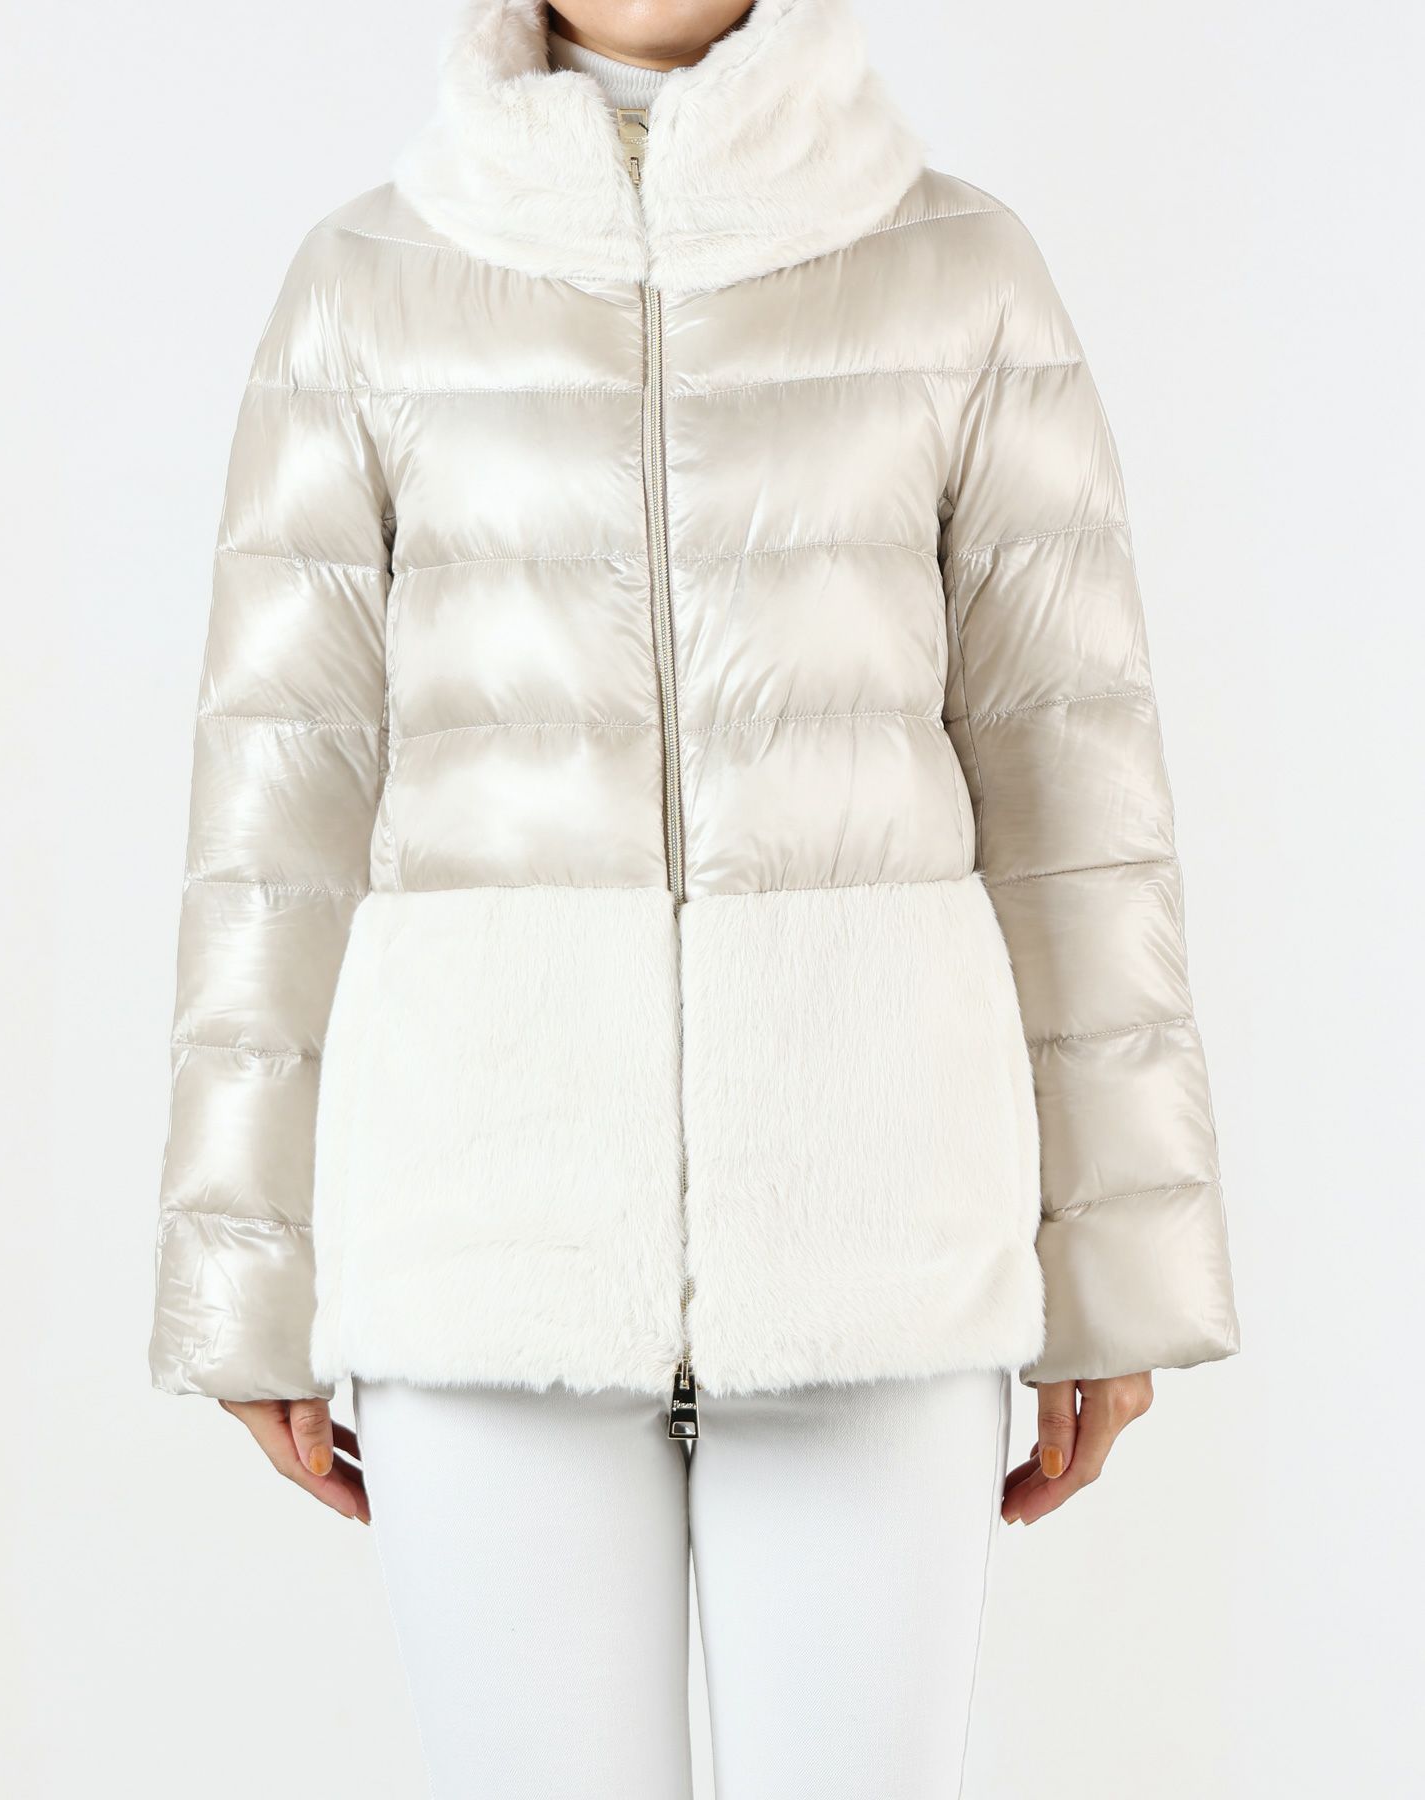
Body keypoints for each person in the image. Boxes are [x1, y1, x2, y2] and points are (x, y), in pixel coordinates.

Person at [150, 2, 1240, 1793]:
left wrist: (1119, 1271)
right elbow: (280, 810)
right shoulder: (363, 288)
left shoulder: (960, 270)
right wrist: (245, 1272)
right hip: (485, 1235)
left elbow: (1077, 794)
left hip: (874, 1230)